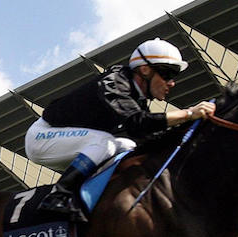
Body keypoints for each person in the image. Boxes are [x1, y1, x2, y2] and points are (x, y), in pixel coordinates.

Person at [24, 38, 216, 222]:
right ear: (145, 70)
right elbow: (137, 123)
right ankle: (58, 196)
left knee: (128, 145)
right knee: (105, 142)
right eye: (167, 74)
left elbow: (149, 136)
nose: (172, 83)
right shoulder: (115, 81)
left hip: (69, 140)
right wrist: (189, 114)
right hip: (43, 136)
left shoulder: (136, 97)